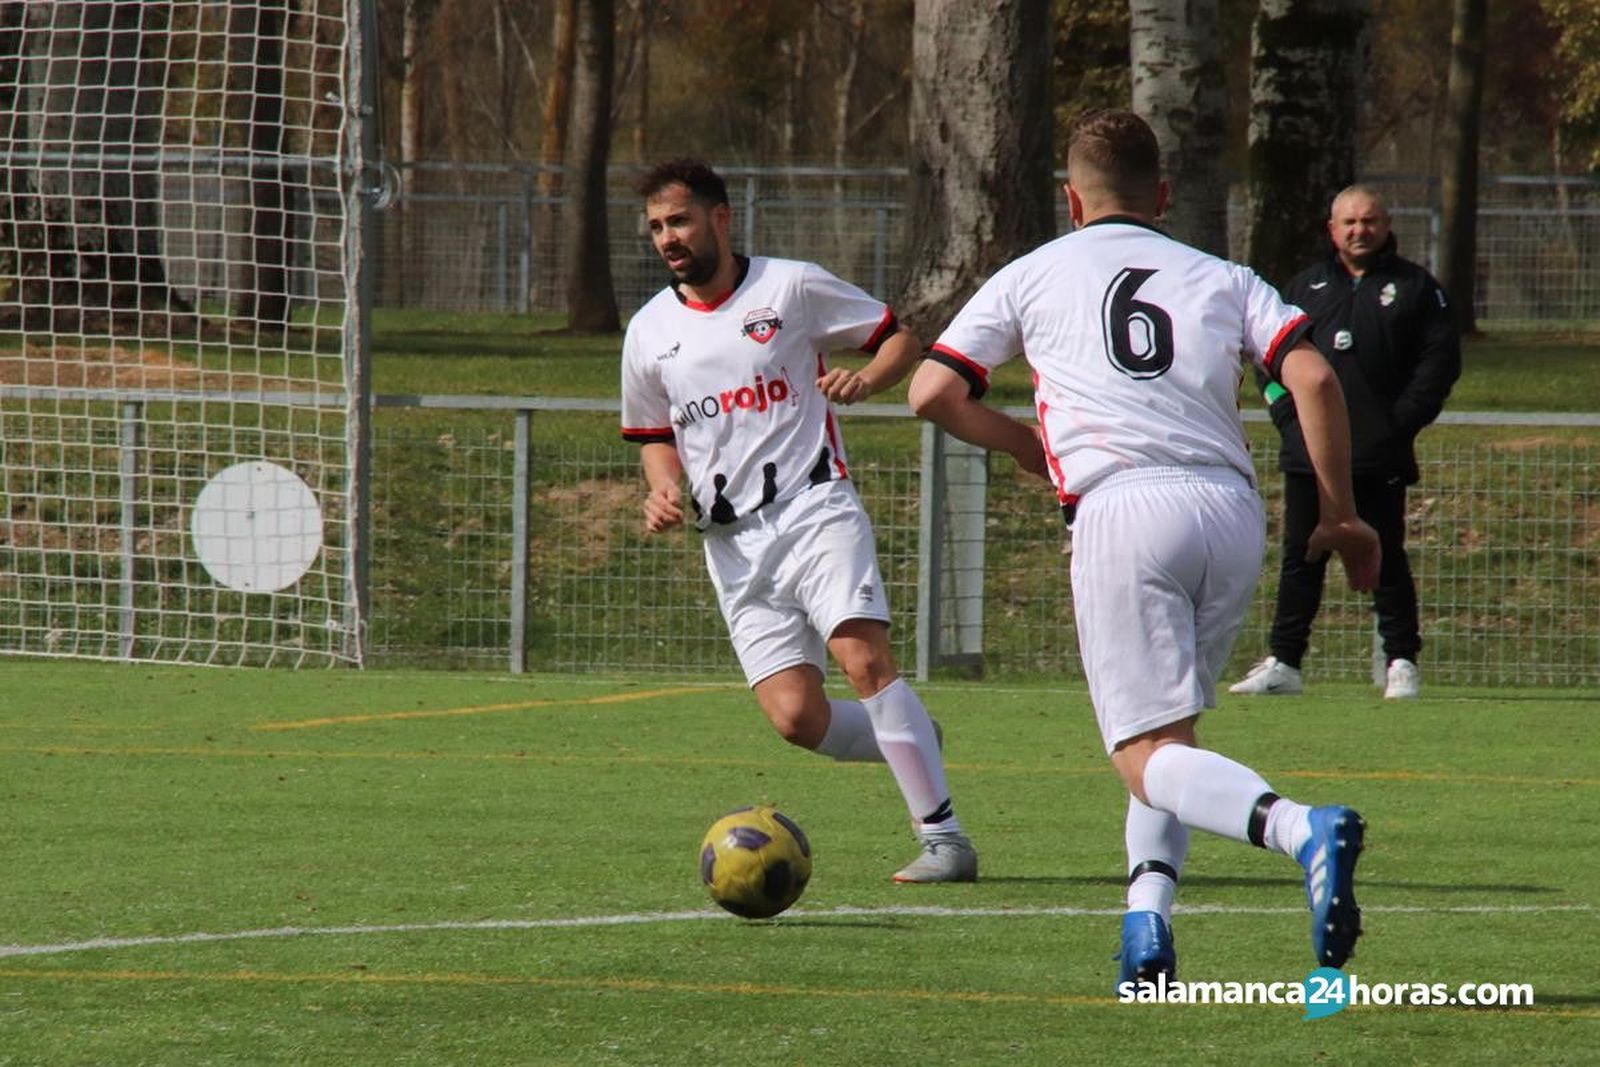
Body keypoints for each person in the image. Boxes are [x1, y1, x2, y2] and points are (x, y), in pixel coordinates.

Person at [906, 110, 1382, 985]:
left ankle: (1298, 828)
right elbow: (1311, 374)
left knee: (1143, 754)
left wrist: (1023, 445)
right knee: (1172, 739)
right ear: (1162, 196)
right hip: (1229, 510)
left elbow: (930, 390)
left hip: (1123, 507)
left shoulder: (1034, 270)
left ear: (1071, 201)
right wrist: (1342, 515)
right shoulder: (1220, 273)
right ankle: (1145, 930)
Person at [620, 158, 990, 883]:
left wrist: (866, 378)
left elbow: (897, 337)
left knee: (863, 658)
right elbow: (654, 437)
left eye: (680, 220)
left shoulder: (789, 286)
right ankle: (908, 733)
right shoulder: (648, 330)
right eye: (657, 226)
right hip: (732, 544)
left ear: (720, 219)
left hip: (813, 506)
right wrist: (662, 490)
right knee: (796, 718)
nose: (668, 237)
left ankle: (946, 838)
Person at [1230, 185, 1461, 700]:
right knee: (1302, 555)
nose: (1360, 230)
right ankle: (1285, 662)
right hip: (1307, 453)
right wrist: (1291, 416)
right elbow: (1266, 363)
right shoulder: (1304, 288)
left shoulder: (1417, 289)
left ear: (1387, 224)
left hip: (1379, 453)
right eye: (1349, 222)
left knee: (1387, 554)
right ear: (1331, 229)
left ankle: (1401, 660)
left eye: (1370, 221)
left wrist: (1396, 424)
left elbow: (1438, 366)